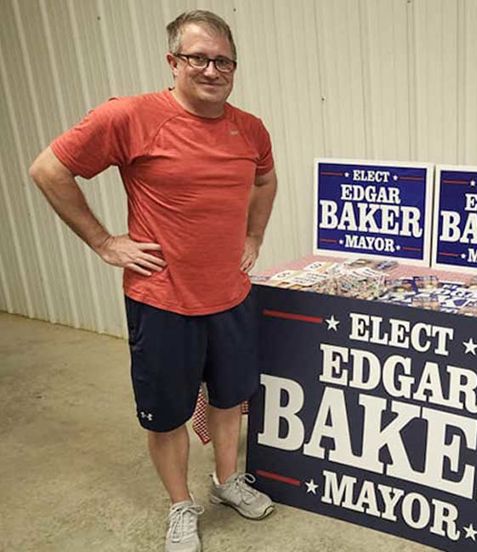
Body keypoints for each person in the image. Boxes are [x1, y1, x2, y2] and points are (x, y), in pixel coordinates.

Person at [29, 10, 277, 552]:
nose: (212, 70)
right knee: (166, 414)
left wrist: (254, 236)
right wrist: (103, 241)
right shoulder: (130, 117)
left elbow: (265, 178)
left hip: (230, 295)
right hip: (162, 300)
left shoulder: (250, 128)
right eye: (198, 58)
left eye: (223, 61)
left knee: (231, 399)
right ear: (173, 62)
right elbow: (49, 169)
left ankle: (228, 483)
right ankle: (181, 506)